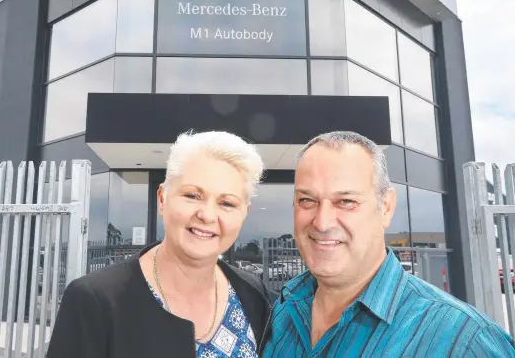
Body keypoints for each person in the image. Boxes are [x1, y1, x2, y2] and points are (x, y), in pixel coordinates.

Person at [261, 131, 515, 357]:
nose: (322, 222)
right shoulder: (277, 315)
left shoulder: (463, 341)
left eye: (346, 201)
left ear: (387, 207)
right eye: (307, 200)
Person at [47, 130, 272, 358]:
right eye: (193, 196)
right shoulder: (95, 301)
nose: (207, 215)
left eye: (227, 203)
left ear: (244, 213)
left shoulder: (252, 293)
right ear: (162, 198)